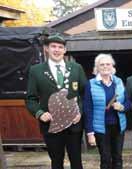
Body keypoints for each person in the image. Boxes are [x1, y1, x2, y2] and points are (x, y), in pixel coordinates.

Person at [25, 34, 87, 169]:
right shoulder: (36, 71)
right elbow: (31, 99)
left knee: (77, 162)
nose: (57, 50)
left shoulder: (76, 68)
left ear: (65, 50)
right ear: (46, 48)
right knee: (56, 161)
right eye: (53, 46)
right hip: (51, 125)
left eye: (60, 47)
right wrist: (40, 113)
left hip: (74, 125)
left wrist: (80, 112)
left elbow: (84, 94)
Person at [84, 54, 130, 169]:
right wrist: (90, 133)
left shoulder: (118, 82)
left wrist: (122, 107)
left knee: (118, 158)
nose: (105, 66)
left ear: (112, 66)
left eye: (108, 64)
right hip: (100, 128)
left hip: (118, 127)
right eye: (102, 64)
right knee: (105, 160)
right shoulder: (90, 84)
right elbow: (87, 109)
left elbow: (128, 102)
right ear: (97, 67)